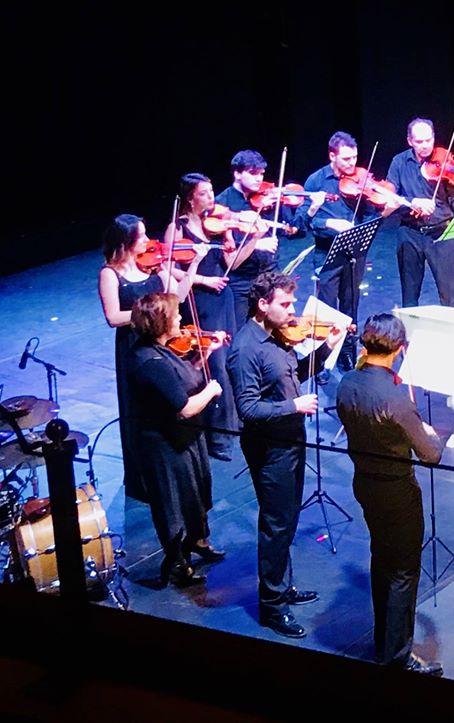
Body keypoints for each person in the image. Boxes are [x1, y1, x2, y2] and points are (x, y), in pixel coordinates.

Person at [227, 271, 344, 638]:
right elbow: (247, 408)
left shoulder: (278, 337)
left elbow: (293, 375)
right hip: (270, 448)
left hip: (290, 441)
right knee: (276, 524)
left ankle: (283, 586)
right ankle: (272, 606)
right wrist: (293, 406)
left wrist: (327, 348)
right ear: (263, 305)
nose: (293, 311)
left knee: (288, 520)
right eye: (286, 303)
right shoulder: (245, 349)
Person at [336, 313, 444, 675]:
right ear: (399, 350)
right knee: (402, 572)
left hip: (365, 483)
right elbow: (431, 455)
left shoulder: (347, 383)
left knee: (381, 560)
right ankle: (396, 656)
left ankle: (384, 640)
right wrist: (430, 434)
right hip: (396, 491)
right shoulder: (396, 399)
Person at [98, 213, 205, 502]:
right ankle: (143, 479)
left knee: (170, 398)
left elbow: (177, 297)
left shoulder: (155, 263)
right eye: (142, 236)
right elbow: (113, 317)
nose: (149, 240)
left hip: (162, 341)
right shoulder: (110, 274)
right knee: (139, 407)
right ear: (126, 242)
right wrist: (150, 314)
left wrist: (193, 264)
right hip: (134, 344)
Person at [128, 293, 226, 587]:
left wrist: (206, 353)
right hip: (166, 445)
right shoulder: (150, 362)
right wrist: (211, 391)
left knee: (195, 492)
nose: (181, 318)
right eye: (176, 314)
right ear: (161, 322)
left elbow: (180, 380)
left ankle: (197, 542)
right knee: (174, 501)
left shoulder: (161, 351)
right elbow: (184, 407)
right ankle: (177, 563)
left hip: (184, 438)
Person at [163, 173, 254, 460]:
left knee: (229, 360)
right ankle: (219, 437)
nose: (212, 197)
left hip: (223, 298)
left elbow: (231, 263)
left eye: (212, 191)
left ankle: (235, 421)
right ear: (190, 198)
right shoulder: (177, 228)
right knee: (213, 364)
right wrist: (203, 279)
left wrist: (238, 236)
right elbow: (168, 268)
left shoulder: (216, 223)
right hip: (199, 300)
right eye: (204, 193)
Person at [299, 131, 398, 373]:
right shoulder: (316, 181)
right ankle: (320, 363)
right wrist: (330, 224)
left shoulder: (360, 180)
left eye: (354, 157)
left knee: (350, 306)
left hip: (354, 254)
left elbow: (369, 217)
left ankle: (347, 354)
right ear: (332, 156)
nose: (352, 164)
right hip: (327, 254)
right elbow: (307, 221)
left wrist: (384, 212)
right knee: (326, 310)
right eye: (346, 159)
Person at [385, 117, 454, 307]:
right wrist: (412, 202)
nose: (425, 145)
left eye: (428, 140)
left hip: (441, 232)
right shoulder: (399, 162)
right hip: (410, 232)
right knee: (410, 294)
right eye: (419, 141)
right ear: (410, 141)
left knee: (450, 294)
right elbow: (389, 197)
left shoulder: (444, 162)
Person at [215, 150, 289, 327]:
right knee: (242, 329)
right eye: (253, 173)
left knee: (276, 327)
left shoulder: (266, 200)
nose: (259, 179)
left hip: (270, 273)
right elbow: (229, 253)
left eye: (261, 174)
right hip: (242, 280)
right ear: (237, 174)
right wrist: (256, 244)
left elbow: (292, 228)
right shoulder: (222, 205)